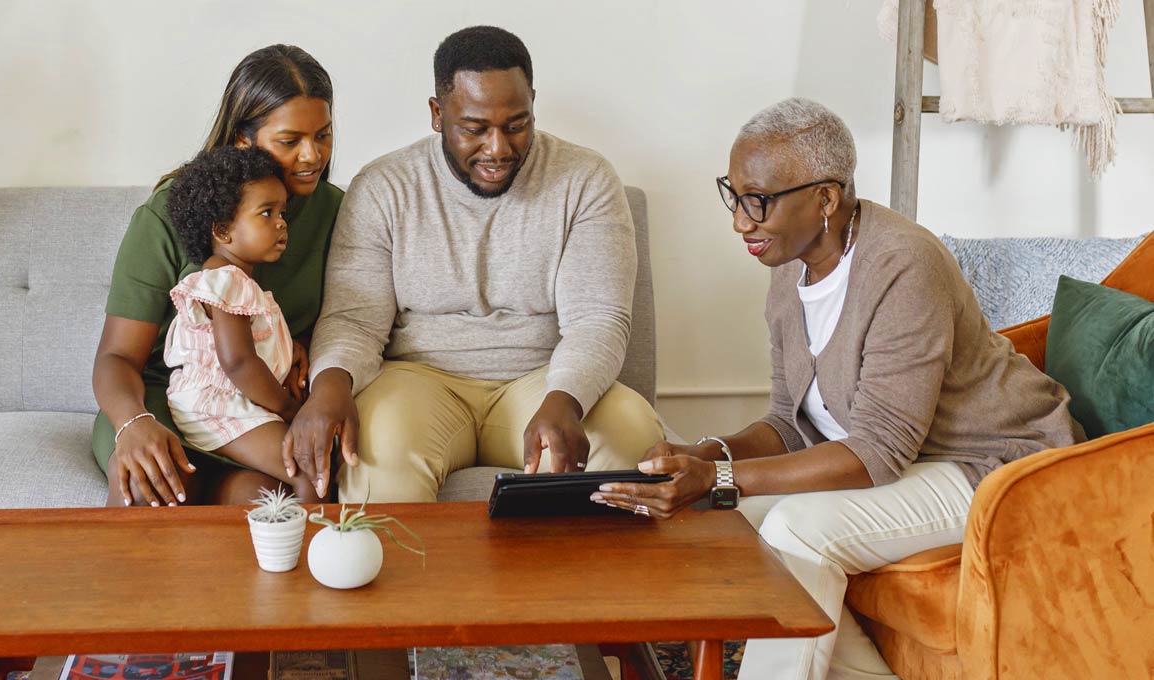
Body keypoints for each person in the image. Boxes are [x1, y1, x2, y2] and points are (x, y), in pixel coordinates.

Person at [591, 98, 1085, 680]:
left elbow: (878, 450)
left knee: (797, 531)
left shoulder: (903, 265)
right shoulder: (788, 268)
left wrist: (721, 479)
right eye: (735, 194)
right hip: (915, 464)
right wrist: (704, 455)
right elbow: (788, 422)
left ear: (826, 198)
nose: (740, 221)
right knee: (729, 524)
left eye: (759, 201)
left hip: (1000, 464)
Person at [285, 25, 663, 503]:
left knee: (629, 439)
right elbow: (354, 319)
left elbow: (598, 319)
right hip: (419, 381)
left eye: (516, 124)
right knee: (377, 460)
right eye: (475, 128)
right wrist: (330, 386)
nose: (498, 148)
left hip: (543, 380)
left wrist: (565, 398)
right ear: (438, 114)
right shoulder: (384, 186)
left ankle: (575, 580)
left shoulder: (585, 179)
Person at [92, 44, 343, 508]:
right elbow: (116, 357)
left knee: (270, 502)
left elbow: (350, 319)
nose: (312, 156)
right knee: (155, 490)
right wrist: (134, 423)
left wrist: (300, 346)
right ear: (244, 139)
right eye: (290, 141)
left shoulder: (337, 211)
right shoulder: (173, 210)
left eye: (323, 135)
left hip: (255, 408)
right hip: (163, 399)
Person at [162, 146, 324, 505]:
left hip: (231, 402)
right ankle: (320, 547)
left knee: (291, 475)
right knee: (310, 468)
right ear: (222, 230)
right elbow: (238, 361)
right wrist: (287, 409)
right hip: (218, 405)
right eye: (266, 213)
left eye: (283, 213)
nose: (281, 223)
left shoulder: (231, 280)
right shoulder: (227, 281)